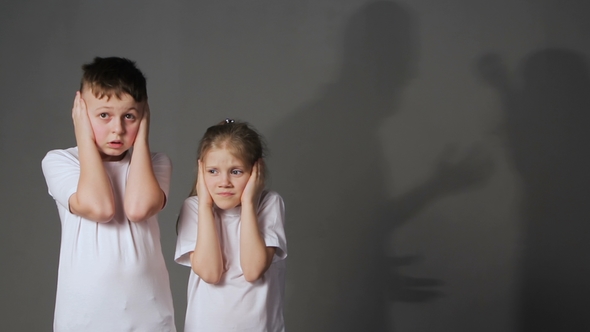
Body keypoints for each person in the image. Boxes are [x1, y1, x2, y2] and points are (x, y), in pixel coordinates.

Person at [41, 57, 176, 331]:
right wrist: (82, 132)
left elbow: (138, 209)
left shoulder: (156, 163)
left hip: (149, 317)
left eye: (130, 116)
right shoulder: (60, 161)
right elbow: (99, 207)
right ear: (81, 110)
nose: (118, 129)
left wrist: (143, 136)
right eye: (104, 115)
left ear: (144, 115)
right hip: (84, 318)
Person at [175, 119, 287, 332]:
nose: (223, 182)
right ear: (201, 171)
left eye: (236, 171)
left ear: (256, 171)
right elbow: (210, 273)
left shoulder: (269, 204)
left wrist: (248, 203)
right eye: (213, 171)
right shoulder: (194, 208)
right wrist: (206, 206)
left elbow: (253, 270)